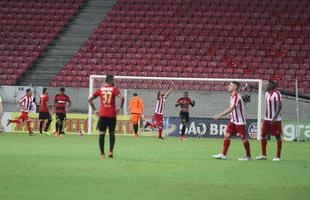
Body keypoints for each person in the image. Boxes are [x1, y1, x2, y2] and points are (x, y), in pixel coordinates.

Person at [212, 81, 251, 160]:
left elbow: (231, 109)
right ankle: (223, 155)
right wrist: (231, 115)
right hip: (234, 120)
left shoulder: (236, 96)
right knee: (227, 135)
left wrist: (220, 115)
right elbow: (233, 110)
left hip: (240, 121)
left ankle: (248, 156)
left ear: (235, 87)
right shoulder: (232, 96)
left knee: (243, 138)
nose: (228, 86)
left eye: (230, 85)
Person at [88, 75, 124, 159]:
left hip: (103, 115)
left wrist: (94, 110)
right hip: (112, 115)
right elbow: (122, 98)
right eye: (113, 80)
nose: (114, 82)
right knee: (112, 133)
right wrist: (119, 108)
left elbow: (89, 99)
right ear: (111, 81)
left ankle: (102, 153)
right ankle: (110, 152)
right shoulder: (114, 89)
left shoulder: (101, 89)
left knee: (101, 134)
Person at [256, 80, 283, 161]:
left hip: (276, 119)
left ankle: (278, 156)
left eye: (267, 84)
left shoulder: (277, 93)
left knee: (278, 137)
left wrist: (274, 118)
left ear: (271, 85)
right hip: (267, 118)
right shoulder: (267, 93)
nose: (266, 86)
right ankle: (263, 155)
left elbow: (279, 106)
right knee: (263, 135)